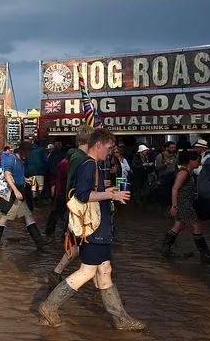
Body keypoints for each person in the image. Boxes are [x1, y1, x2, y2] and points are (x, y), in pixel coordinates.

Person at [38, 128, 146, 331]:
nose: (111, 151)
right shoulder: (88, 165)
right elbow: (83, 195)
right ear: (98, 145)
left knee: (105, 270)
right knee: (88, 271)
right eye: (109, 147)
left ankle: (120, 318)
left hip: (98, 227)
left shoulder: (91, 164)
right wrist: (112, 196)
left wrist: (106, 191)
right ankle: (49, 306)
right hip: (94, 229)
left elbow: (88, 191)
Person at [46, 124, 94, 283]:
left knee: (79, 245)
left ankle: (56, 273)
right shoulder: (81, 159)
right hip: (79, 207)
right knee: (88, 248)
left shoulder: (74, 157)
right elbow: (75, 187)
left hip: (75, 205)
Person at [160, 150, 210, 264]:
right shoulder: (184, 172)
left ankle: (165, 248)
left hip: (185, 202)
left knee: (178, 225)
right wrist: (174, 205)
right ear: (190, 161)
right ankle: (205, 254)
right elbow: (175, 189)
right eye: (197, 160)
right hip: (184, 203)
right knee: (196, 226)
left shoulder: (187, 172)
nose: (199, 162)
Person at [0, 147, 45, 251]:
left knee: (28, 216)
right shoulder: (12, 159)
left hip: (20, 191)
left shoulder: (20, 161)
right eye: (27, 152)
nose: (29, 155)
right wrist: (15, 191)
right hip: (12, 193)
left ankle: (39, 243)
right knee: (4, 217)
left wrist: (25, 179)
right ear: (22, 151)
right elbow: (7, 175)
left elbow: (17, 175)